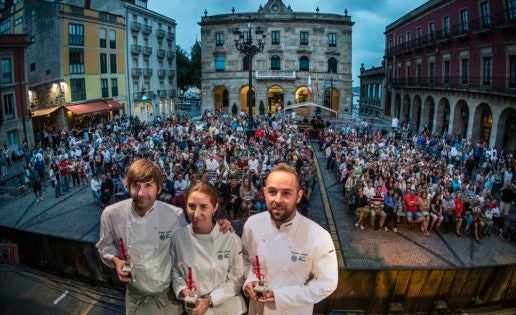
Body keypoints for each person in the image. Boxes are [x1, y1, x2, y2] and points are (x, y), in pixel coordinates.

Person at [96, 159, 233, 315]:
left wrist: (218, 224)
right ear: (128, 186)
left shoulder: (175, 215)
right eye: (136, 186)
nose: (141, 193)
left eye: (148, 185)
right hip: (135, 296)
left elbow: (194, 240)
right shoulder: (111, 214)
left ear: (159, 188)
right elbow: (105, 246)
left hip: (168, 298)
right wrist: (116, 260)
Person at [242, 163, 338, 315]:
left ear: (298, 196)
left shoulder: (319, 236)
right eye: (272, 192)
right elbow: (246, 261)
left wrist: (280, 296)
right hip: (257, 310)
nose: (278, 200)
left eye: (286, 193)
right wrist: (249, 280)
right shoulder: (252, 225)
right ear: (264, 193)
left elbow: (327, 283)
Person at [171, 182, 247, 315]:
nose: (196, 213)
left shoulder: (230, 238)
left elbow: (236, 280)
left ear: (215, 207)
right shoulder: (177, 238)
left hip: (230, 310)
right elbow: (175, 273)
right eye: (191, 206)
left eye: (204, 207)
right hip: (195, 309)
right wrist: (185, 291)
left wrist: (209, 300)